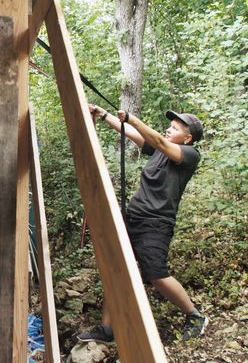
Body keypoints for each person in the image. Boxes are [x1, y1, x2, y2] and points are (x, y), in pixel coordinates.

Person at [77, 105, 208, 343]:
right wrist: (104, 115)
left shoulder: (189, 155)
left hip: (156, 223)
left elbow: (157, 140)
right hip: (133, 218)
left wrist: (134, 119)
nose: (169, 130)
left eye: (175, 128)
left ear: (188, 138)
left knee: (156, 274)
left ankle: (195, 315)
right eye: (169, 126)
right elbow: (134, 135)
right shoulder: (159, 151)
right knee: (116, 268)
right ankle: (108, 329)